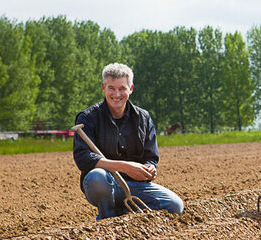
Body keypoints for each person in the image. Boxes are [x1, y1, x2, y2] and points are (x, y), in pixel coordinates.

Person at [73, 63, 184, 220]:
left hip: (135, 186)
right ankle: (106, 217)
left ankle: (123, 217)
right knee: (96, 176)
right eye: (111, 88)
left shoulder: (143, 118)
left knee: (175, 206)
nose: (117, 94)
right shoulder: (88, 118)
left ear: (131, 88)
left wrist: (149, 169)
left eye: (122, 88)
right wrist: (125, 166)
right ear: (103, 87)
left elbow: (151, 157)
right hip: (104, 183)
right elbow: (83, 159)